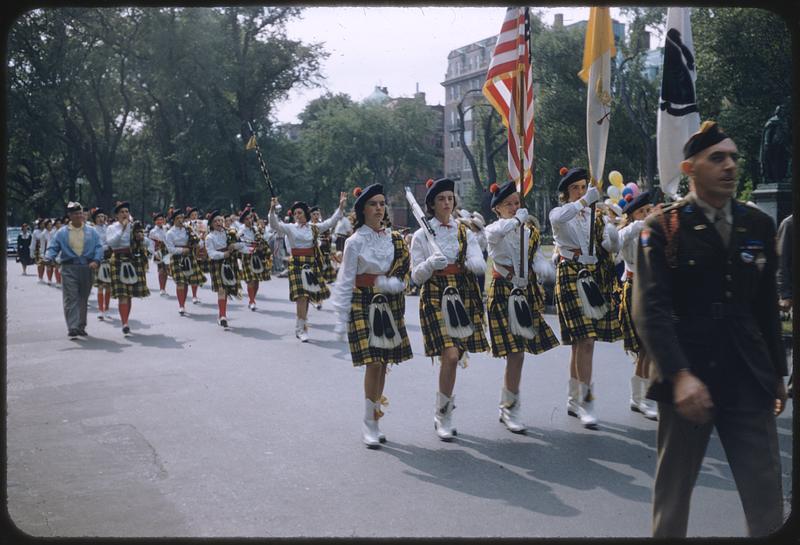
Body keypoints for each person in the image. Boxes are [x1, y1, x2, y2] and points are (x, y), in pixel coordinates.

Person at [633, 121, 787, 537]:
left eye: (734, 157)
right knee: (674, 493)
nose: (730, 166)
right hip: (690, 378)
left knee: (766, 495)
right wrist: (680, 375)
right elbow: (651, 310)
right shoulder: (664, 228)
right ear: (690, 168)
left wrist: (777, 372)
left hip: (746, 374)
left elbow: (765, 307)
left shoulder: (756, 226)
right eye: (717, 158)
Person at [330, 184, 413, 447]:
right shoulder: (355, 241)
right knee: (374, 362)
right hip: (362, 301)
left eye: (381, 203)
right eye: (373, 204)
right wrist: (340, 316)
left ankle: (375, 413)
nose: (379, 208)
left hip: (387, 301)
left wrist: (396, 283)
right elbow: (345, 280)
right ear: (363, 210)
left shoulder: (393, 238)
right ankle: (369, 422)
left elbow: (403, 270)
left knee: (383, 363)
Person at [410, 178, 489, 441]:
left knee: (454, 357)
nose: (447, 202)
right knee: (451, 355)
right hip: (434, 292)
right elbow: (415, 277)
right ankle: (443, 414)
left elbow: (478, 260)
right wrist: (431, 264)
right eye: (441, 198)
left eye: (450, 198)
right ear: (432, 204)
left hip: (462, 291)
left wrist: (472, 262)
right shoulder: (422, 234)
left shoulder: (464, 232)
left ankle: (444, 407)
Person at [485, 181, 560, 433]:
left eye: (517, 203)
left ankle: (509, 404)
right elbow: (499, 234)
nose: (515, 208)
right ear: (497, 208)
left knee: (519, 353)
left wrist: (543, 267)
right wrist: (517, 221)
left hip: (524, 291)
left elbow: (535, 256)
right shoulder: (493, 229)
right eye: (509, 204)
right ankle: (509, 408)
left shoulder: (530, 232)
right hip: (503, 291)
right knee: (514, 352)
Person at [549, 167, 621, 429]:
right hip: (569, 273)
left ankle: (573, 399)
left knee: (582, 343)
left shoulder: (596, 215)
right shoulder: (559, 213)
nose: (580, 191)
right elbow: (562, 216)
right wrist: (584, 201)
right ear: (566, 193)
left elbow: (608, 247)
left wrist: (612, 235)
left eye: (583, 187)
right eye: (575, 188)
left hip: (591, 275)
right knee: (585, 340)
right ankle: (586, 402)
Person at [269, 192, 346, 342]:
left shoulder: (314, 228)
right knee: (301, 297)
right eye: (295, 213)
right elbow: (274, 224)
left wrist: (341, 206)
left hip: (311, 264)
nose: (297, 215)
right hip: (296, 264)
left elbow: (331, 222)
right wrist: (272, 210)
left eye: (300, 212)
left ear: (306, 213)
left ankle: (302, 325)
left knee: (308, 296)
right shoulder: (290, 228)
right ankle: (300, 329)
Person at [616, 191, 659, 420]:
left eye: (648, 210)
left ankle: (640, 397)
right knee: (644, 346)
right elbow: (616, 242)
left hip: (651, 290)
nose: (646, 215)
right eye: (641, 211)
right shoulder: (627, 232)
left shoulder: (654, 232)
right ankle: (640, 398)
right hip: (633, 289)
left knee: (650, 346)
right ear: (632, 215)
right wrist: (638, 224)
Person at [43, 202, 104, 339]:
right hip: (69, 268)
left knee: (83, 298)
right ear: (70, 216)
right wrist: (48, 257)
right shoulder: (62, 232)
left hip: (87, 268)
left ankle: (81, 326)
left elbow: (99, 247)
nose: (79, 216)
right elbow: (53, 247)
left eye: (80, 213)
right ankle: (73, 327)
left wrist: (96, 260)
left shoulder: (91, 231)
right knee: (71, 297)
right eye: (75, 213)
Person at [106, 201, 151, 336]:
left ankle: (126, 321)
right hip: (118, 259)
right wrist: (123, 229)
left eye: (127, 212)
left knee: (129, 294)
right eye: (122, 212)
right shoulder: (112, 228)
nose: (125, 214)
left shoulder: (134, 226)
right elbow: (111, 243)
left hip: (133, 259)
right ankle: (124, 323)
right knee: (123, 295)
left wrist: (141, 237)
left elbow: (147, 243)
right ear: (117, 216)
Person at [205, 212, 247, 329]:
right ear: (212, 224)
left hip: (230, 262)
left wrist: (234, 246)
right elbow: (211, 253)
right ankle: (223, 316)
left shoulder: (230, 233)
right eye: (216, 221)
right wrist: (224, 254)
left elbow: (242, 245)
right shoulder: (209, 237)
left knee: (227, 290)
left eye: (220, 221)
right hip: (217, 263)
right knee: (222, 290)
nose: (219, 223)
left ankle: (221, 315)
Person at [165, 208, 206, 316]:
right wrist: (182, 250)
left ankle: (184, 303)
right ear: (173, 220)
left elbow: (200, 242)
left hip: (189, 257)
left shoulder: (189, 229)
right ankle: (181, 305)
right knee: (180, 282)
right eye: (178, 218)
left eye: (182, 218)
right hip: (177, 258)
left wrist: (197, 245)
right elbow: (170, 249)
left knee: (186, 282)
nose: (180, 220)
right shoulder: (170, 233)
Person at [238, 207, 272, 311]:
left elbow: (266, 237)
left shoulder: (256, 229)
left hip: (257, 256)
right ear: (244, 220)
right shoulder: (241, 231)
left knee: (256, 280)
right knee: (250, 280)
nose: (250, 220)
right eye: (247, 218)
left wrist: (262, 245)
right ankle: (252, 301)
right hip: (247, 256)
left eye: (251, 218)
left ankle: (252, 299)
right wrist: (249, 248)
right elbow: (240, 244)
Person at [90, 208, 113, 320]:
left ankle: (107, 309)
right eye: (98, 217)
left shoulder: (109, 228)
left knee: (108, 285)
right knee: (100, 286)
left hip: (109, 258)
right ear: (95, 219)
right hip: (98, 258)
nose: (101, 219)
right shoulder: (92, 230)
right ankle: (100, 310)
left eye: (102, 216)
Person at [148, 211, 170, 296]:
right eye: (158, 220)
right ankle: (161, 289)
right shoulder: (153, 231)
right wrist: (154, 253)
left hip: (166, 250)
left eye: (161, 219)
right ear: (155, 221)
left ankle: (164, 288)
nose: (160, 221)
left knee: (166, 270)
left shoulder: (166, 228)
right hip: (158, 251)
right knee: (161, 270)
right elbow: (151, 244)